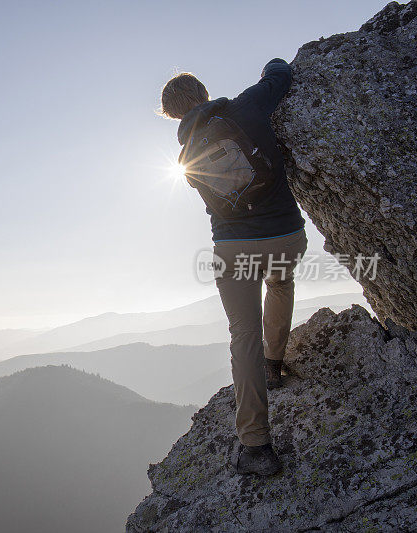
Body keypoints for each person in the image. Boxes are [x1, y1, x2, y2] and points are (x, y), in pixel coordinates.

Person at [159, 59, 307, 476]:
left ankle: (256, 446)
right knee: (281, 283)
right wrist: (271, 64)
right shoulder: (246, 107)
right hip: (285, 236)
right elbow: (280, 75)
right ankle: (275, 364)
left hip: (233, 248)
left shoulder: (185, 155)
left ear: (172, 114)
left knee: (243, 334)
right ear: (204, 93)